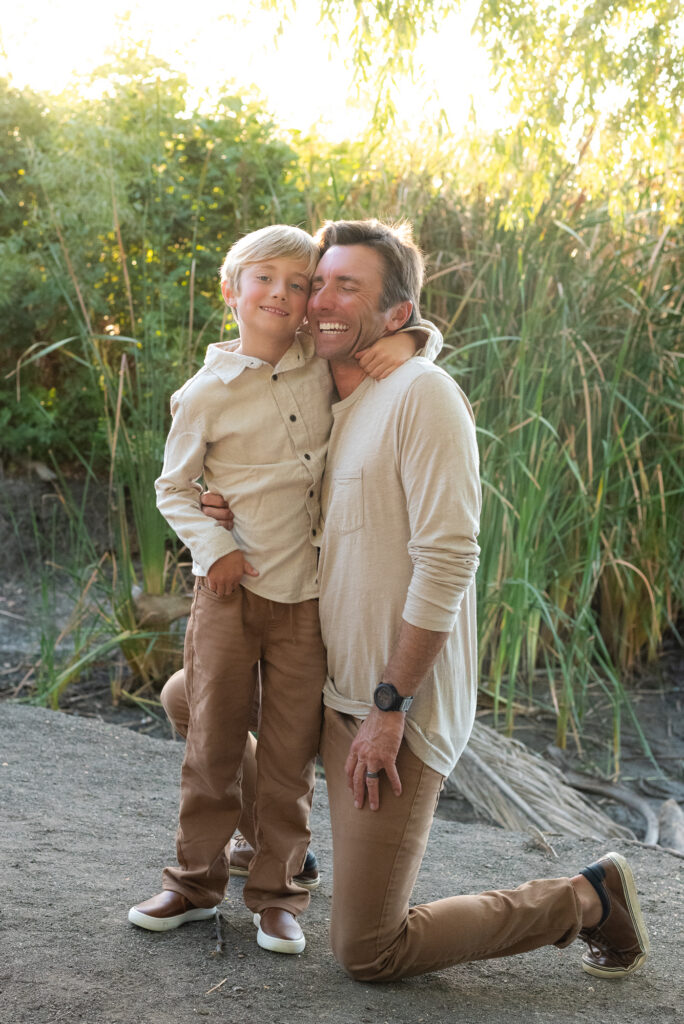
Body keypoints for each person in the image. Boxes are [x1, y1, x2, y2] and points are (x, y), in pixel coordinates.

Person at [197, 218, 650, 982]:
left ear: (397, 314)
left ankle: (585, 899)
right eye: (319, 283)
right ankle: (284, 847)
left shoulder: (423, 395)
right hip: (316, 680)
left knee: (368, 951)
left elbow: (449, 560)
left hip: (385, 706)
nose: (320, 301)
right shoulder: (318, 392)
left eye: (350, 286)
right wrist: (221, 504)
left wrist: (390, 706)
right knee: (190, 696)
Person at [127, 224, 430, 954]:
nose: (284, 295)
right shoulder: (202, 394)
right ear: (232, 290)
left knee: (291, 755)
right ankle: (194, 882)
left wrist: (419, 338)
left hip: (304, 604)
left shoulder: (318, 365)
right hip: (229, 597)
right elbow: (173, 489)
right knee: (213, 744)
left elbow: (393, 339)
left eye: (300, 285)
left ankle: (277, 893)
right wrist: (214, 542)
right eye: (266, 279)